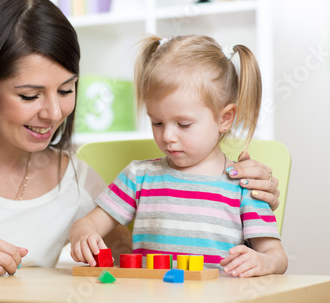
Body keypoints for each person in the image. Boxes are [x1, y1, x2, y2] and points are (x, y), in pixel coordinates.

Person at [0, 0, 281, 280]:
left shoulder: (79, 184)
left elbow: (157, 254)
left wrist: (237, 182)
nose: (52, 113)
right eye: (29, 94)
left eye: (66, 91)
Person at [69, 35, 288, 278]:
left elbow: (276, 255)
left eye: (183, 124)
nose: (168, 136)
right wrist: (83, 236)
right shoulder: (139, 177)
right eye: (157, 122)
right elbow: (86, 224)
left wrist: (263, 262)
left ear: (224, 118)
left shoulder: (245, 186)